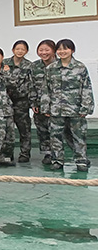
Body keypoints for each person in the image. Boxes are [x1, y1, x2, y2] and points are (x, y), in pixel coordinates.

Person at [42, 38, 93, 172]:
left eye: (66, 48)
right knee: (55, 136)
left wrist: (86, 107)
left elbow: (86, 88)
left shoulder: (80, 67)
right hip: (56, 109)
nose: (62, 52)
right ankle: (57, 160)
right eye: (59, 49)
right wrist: (45, 107)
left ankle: (81, 160)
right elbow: (46, 89)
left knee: (78, 135)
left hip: (75, 109)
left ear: (72, 50)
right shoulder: (51, 68)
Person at [2, 40, 33, 163]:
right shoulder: (5, 63)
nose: (20, 51)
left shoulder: (29, 66)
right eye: (17, 49)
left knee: (24, 129)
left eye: (23, 49)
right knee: (7, 130)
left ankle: (25, 153)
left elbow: (31, 84)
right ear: (13, 50)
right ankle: (7, 154)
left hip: (22, 101)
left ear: (26, 51)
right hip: (7, 101)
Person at [30, 40, 58, 164]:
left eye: (47, 50)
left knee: (57, 130)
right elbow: (31, 85)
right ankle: (47, 154)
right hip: (40, 104)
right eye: (41, 50)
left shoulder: (59, 65)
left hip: (57, 104)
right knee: (42, 130)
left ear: (53, 50)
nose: (44, 52)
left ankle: (58, 155)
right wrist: (34, 102)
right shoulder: (35, 66)